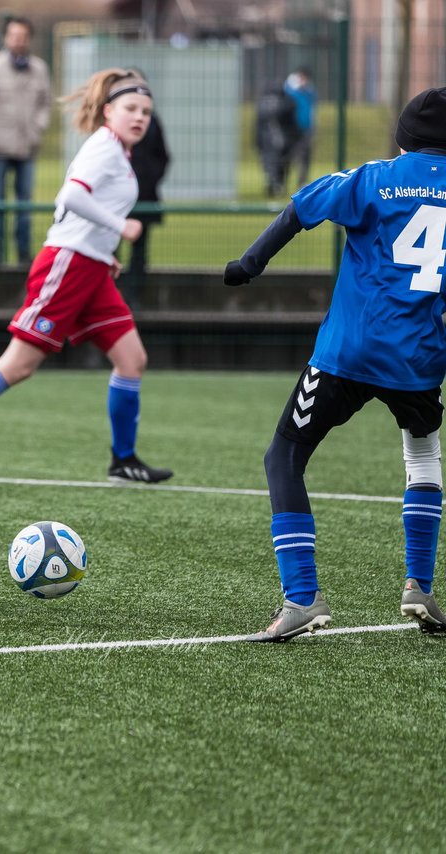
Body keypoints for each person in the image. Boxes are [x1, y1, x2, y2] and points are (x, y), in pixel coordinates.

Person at [223, 86, 446, 642]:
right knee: (422, 456)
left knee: (285, 458)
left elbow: (300, 207)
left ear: (404, 136)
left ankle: (302, 598)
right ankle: (419, 586)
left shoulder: (374, 178)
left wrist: (249, 264)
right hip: (421, 360)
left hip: (350, 352)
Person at [0, 69, 173, 487]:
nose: (140, 117)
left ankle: (123, 460)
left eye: (146, 110)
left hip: (92, 270)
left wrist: (106, 253)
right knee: (18, 366)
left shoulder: (120, 154)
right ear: (109, 112)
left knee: (132, 360)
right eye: (130, 108)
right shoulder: (104, 147)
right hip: (67, 267)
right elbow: (70, 195)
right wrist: (120, 228)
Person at [0, 14, 51, 266]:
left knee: (25, 207)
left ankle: (24, 256)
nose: (18, 41)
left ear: (29, 39)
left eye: (23, 36)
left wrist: (38, 128)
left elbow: (45, 104)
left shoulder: (39, 68)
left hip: (27, 147)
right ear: (6, 37)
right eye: (14, 36)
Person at [120, 68, 170, 307]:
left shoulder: (153, 122)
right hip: (116, 200)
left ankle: (134, 295)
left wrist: (149, 179)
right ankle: (112, 294)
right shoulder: (113, 127)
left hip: (144, 196)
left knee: (139, 251)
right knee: (108, 249)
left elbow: (163, 156)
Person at [255, 82, 298, 196]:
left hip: (274, 141)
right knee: (277, 163)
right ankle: (275, 184)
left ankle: (275, 184)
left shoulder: (263, 104)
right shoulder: (288, 102)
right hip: (278, 141)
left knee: (274, 163)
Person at [283, 67, 316, 189]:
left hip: (306, 130)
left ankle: (302, 182)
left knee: (305, 157)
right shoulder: (290, 91)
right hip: (291, 131)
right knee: (287, 157)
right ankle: (283, 182)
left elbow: (312, 111)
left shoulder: (310, 92)